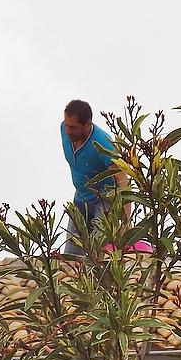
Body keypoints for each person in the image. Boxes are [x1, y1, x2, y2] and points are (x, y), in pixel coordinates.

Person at [60, 99, 127, 254]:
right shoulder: (64, 130)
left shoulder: (103, 144)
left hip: (104, 202)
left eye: (73, 127)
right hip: (80, 199)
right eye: (66, 125)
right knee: (71, 257)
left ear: (88, 124)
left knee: (98, 254)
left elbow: (122, 180)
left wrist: (125, 221)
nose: (68, 130)